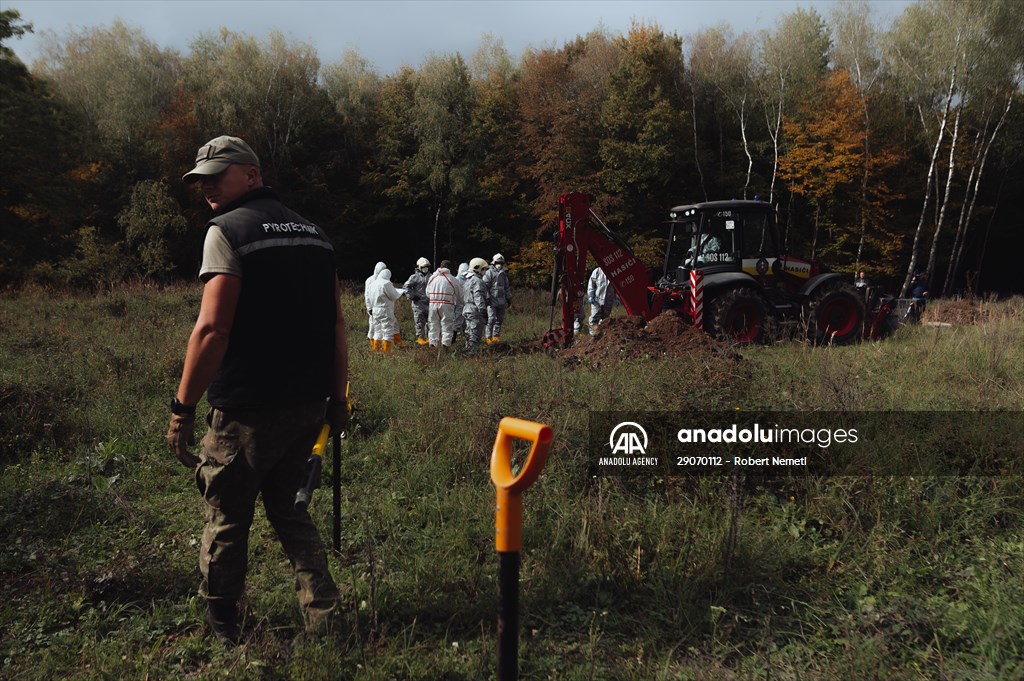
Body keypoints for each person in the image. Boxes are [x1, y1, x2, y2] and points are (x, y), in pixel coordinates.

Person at [166, 135, 346, 646]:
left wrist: (182, 408)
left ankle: (223, 619)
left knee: (226, 513)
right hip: (309, 402)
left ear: (251, 173)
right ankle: (325, 617)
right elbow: (336, 325)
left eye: (217, 175)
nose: (206, 187)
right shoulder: (316, 235)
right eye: (201, 179)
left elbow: (211, 331)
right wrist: (337, 398)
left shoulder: (227, 231)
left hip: (247, 408)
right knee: (291, 510)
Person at [426, 260, 463, 349]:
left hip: (433, 304)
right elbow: (460, 294)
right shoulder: (452, 279)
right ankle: (445, 345)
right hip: (447, 304)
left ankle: (432, 345)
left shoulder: (432, 277)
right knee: (447, 325)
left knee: (433, 325)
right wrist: (458, 302)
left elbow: (427, 292)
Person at [368, 268, 404, 352]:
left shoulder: (372, 284)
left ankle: (377, 350)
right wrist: (400, 292)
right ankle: (386, 351)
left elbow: (369, 298)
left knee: (378, 330)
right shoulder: (386, 283)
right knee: (387, 330)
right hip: (385, 309)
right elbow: (393, 295)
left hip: (375, 310)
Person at [483, 253, 513, 344]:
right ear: (494, 262)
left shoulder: (504, 273)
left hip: (501, 300)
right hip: (492, 300)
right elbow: (485, 286)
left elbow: (506, 287)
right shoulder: (489, 272)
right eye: (498, 262)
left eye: (501, 262)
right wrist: (487, 297)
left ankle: (496, 336)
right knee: (491, 319)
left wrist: (509, 298)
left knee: (499, 319)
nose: (499, 264)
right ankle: (488, 337)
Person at [463, 257, 490, 355]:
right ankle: (472, 354)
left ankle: (467, 351)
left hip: (467, 309)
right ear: (478, 268)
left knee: (468, 332)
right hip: (475, 310)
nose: (485, 272)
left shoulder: (468, 280)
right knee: (475, 334)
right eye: (484, 269)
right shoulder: (478, 281)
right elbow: (478, 297)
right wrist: (483, 311)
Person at [404, 258, 431, 346]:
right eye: (423, 267)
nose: (425, 268)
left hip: (429, 303)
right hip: (418, 304)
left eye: (427, 267)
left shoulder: (431, 276)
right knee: (419, 322)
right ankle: (420, 339)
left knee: (430, 323)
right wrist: (411, 296)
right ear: (419, 267)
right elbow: (406, 287)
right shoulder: (414, 277)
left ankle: (428, 339)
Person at [364, 261, 386, 350]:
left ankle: (378, 341)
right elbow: (367, 295)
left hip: (381, 306)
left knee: (381, 324)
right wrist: (369, 308)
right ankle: (371, 339)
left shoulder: (384, 280)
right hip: (373, 306)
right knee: (373, 323)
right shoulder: (370, 280)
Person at [587, 267, 616, 332]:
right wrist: (591, 295)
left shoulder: (614, 271)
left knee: (605, 318)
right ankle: (593, 334)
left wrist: (617, 298)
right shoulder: (597, 271)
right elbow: (591, 284)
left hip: (608, 299)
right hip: (597, 300)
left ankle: (602, 334)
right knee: (594, 317)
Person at [453, 262, 470, 346]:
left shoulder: (469, 280)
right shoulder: (455, 280)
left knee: (466, 325)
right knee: (456, 324)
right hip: (457, 306)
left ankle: (467, 343)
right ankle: (452, 342)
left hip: (467, 305)